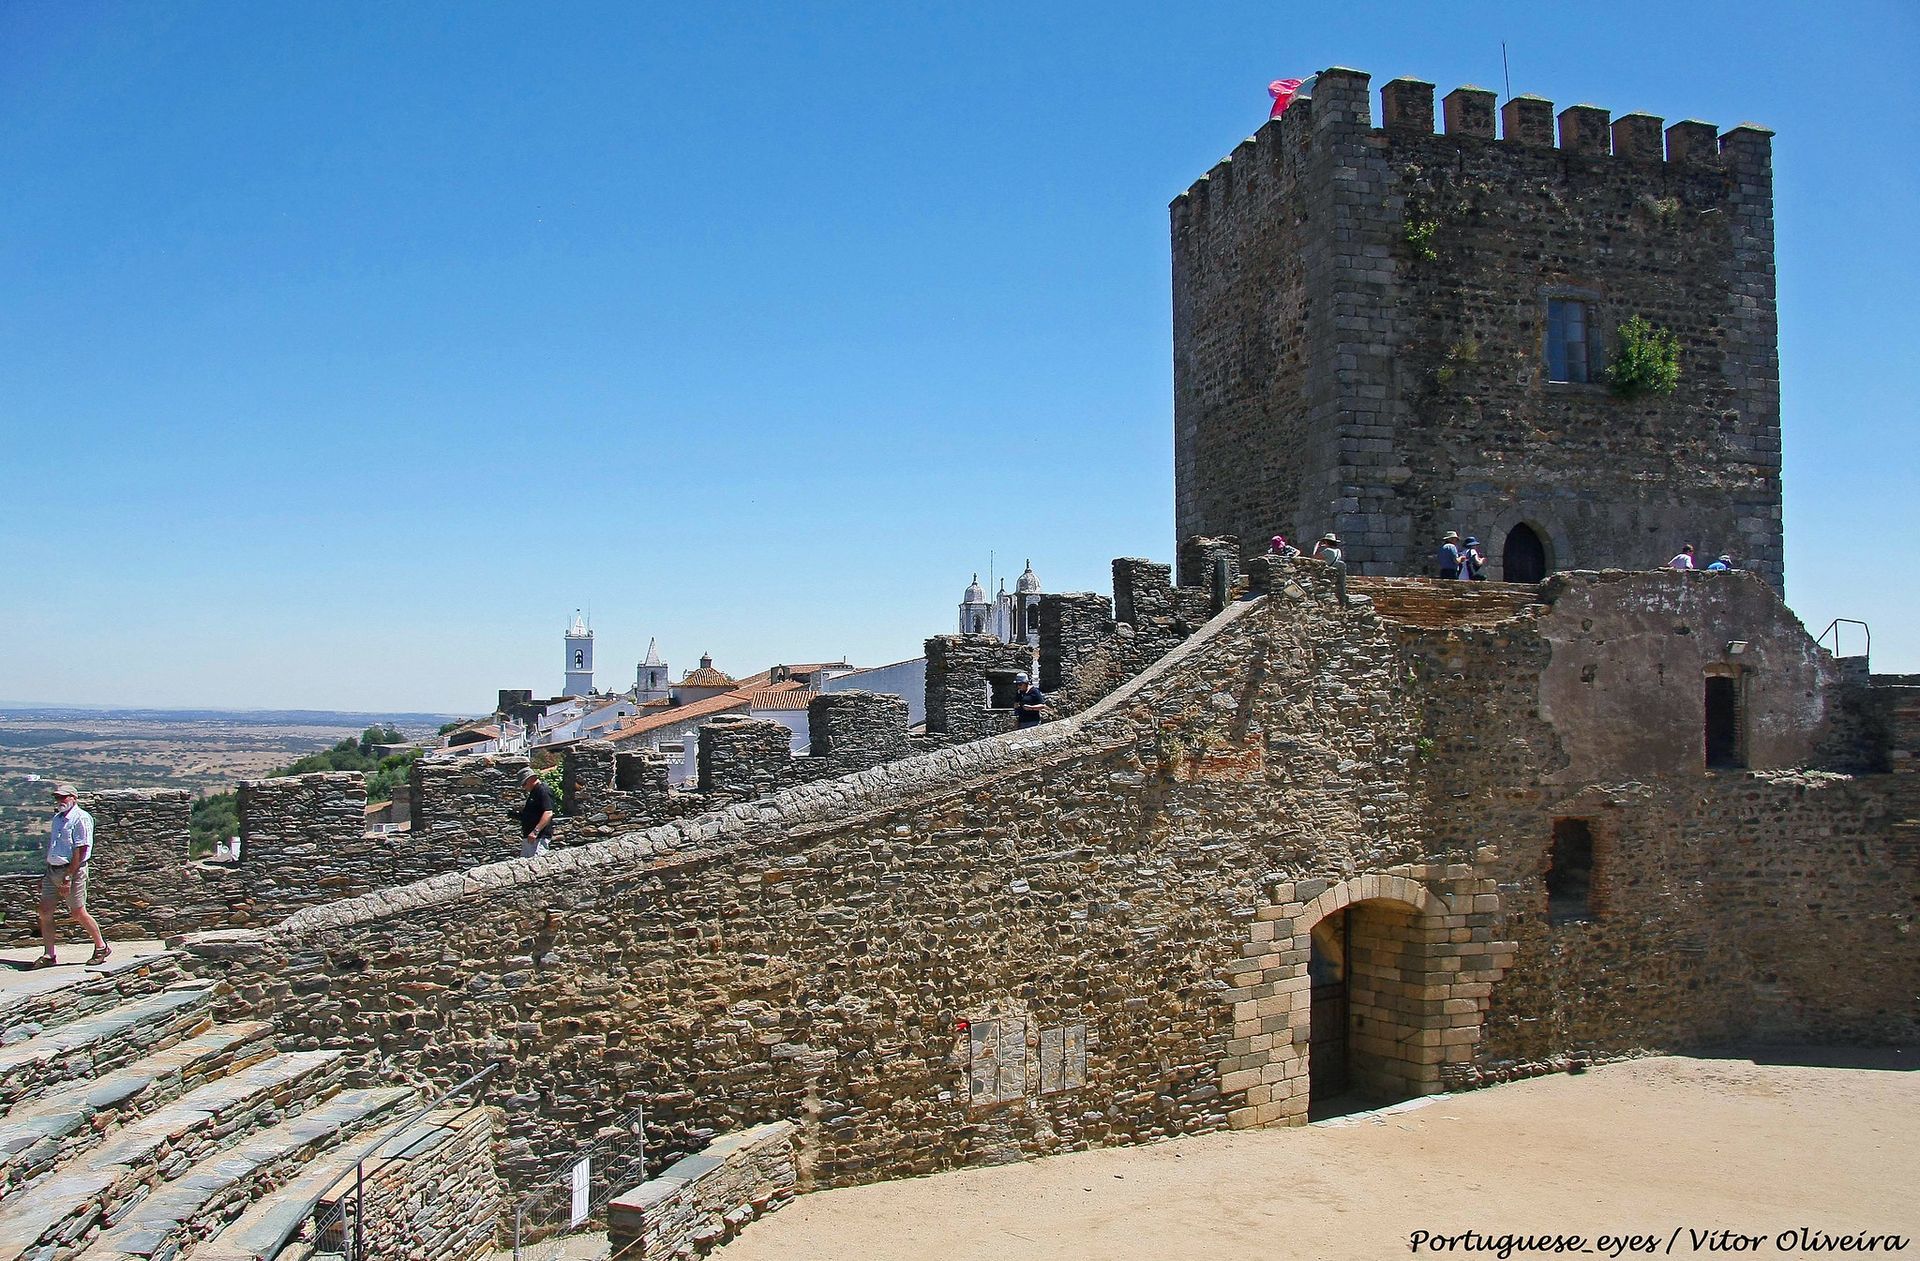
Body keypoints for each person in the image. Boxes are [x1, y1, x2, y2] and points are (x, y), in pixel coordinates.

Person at [33, 782, 109, 968]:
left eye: (63, 797)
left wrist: (68, 877)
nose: (59, 800)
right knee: (44, 911)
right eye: (57, 797)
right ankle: (49, 954)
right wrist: (46, 875)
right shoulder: (58, 819)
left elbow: (81, 850)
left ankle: (101, 946)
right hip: (53, 870)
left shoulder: (81, 818)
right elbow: (55, 847)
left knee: (77, 912)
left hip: (72, 871)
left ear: (74, 798)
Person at [518, 766, 555, 858]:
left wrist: (535, 832)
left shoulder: (543, 790)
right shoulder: (534, 792)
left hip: (538, 838)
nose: (524, 788)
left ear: (531, 779)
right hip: (530, 838)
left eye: (524, 784)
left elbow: (548, 812)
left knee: (538, 866)